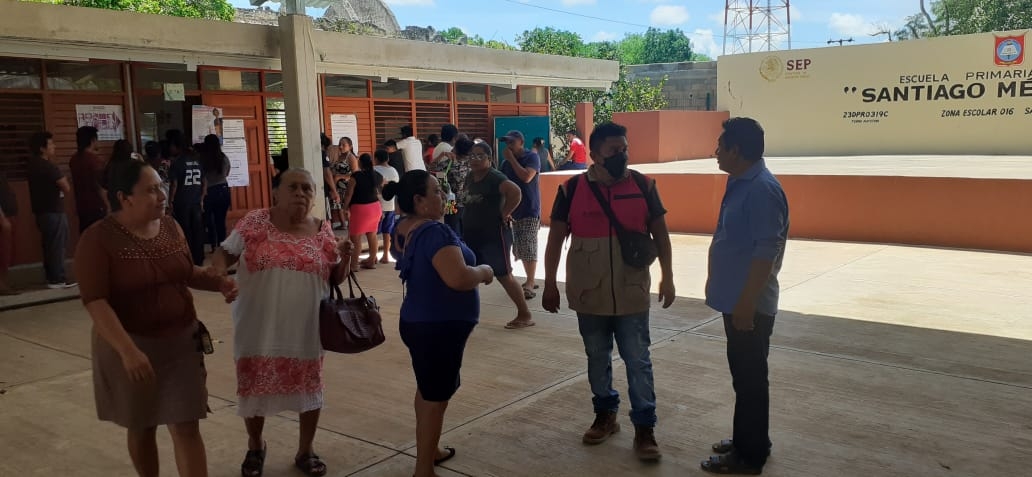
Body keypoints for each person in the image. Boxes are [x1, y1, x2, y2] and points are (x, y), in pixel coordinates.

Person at [75, 159, 236, 477]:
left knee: (187, 425)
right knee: (143, 426)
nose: (162, 194)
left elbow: (186, 272)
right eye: (151, 190)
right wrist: (127, 350)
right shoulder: (98, 239)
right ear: (124, 198)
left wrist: (218, 281)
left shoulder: (171, 227)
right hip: (131, 346)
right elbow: (95, 300)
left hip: (180, 343)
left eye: (161, 186)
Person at [542, 122, 675, 462]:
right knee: (597, 357)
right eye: (614, 150)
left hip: (631, 293)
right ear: (596, 152)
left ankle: (645, 428)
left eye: (624, 148)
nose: (622, 155)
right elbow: (555, 239)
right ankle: (606, 415)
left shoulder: (644, 186)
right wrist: (550, 284)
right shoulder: (571, 190)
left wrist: (668, 276)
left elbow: (661, 234)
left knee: (638, 360)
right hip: (590, 293)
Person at [213, 169, 353, 477]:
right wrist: (220, 276)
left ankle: (305, 450)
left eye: (308, 189)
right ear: (276, 192)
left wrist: (344, 257)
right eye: (293, 187)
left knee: (309, 386)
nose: (301, 194)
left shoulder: (322, 229)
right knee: (253, 386)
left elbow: (335, 277)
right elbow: (224, 253)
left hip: (306, 327)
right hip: (257, 324)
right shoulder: (254, 222)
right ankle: (255, 445)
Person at [386, 170, 494, 477]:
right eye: (436, 191)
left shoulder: (403, 227)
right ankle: (424, 469)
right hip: (438, 326)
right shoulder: (434, 233)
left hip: (418, 321)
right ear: (419, 201)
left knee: (427, 390)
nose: (443, 196)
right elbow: (458, 278)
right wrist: (484, 271)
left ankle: (429, 450)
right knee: (436, 397)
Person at [701, 118, 789, 476]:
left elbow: (766, 252)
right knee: (745, 378)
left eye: (721, 146)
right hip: (736, 301)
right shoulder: (740, 182)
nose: (716, 151)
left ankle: (749, 456)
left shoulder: (762, 190)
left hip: (747, 306)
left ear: (736, 150)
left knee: (751, 379)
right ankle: (748, 440)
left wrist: (746, 305)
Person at [461, 141, 535, 329]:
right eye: (472, 156)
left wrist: (504, 213)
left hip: (494, 234)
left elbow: (516, 192)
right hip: (472, 233)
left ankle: (524, 314)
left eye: (480, 156)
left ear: (489, 159)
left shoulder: (495, 177)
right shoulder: (470, 177)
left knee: (503, 274)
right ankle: (466, 314)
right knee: (468, 273)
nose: (475, 160)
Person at [26, 131, 76, 289]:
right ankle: (58, 279)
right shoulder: (47, 166)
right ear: (42, 148)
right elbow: (65, 186)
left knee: (49, 245)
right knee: (57, 245)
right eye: (51, 144)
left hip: (42, 212)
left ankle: (52, 277)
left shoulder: (32, 164)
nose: (54, 146)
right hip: (53, 211)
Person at [499, 130, 542, 298]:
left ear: (521, 143)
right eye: (507, 143)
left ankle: (530, 282)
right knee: (519, 246)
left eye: (512, 143)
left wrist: (511, 159)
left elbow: (526, 177)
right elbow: (503, 186)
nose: (509, 146)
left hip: (529, 207)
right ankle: (529, 279)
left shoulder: (532, 157)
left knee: (528, 244)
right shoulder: (505, 164)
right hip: (513, 210)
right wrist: (505, 209)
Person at [167, 130, 206, 266]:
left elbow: (174, 184)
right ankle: (199, 258)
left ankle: (188, 259)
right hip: (195, 202)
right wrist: (201, 198)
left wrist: (170, 201)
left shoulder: (177, 163)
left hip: (182, 202)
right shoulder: (196, 160)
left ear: (176, 146)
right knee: (198, 231)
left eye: (171, 145)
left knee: (185, 231)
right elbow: (204, 181)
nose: (170, 148)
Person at [343, 153, 384, 271]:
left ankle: (354, 265)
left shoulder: (356, 176)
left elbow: (349, 194)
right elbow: (378, 191)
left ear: (360, 163)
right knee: (372, 236)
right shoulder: (377, 175)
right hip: (375, 207)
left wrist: (345, 207)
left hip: (360, 209)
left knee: (355, 239)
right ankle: (371, 261)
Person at [431, 135, 472, 236]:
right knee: (467, 230)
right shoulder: (473, 163)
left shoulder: (449, 163)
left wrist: (442, 155)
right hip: (470, 202)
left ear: (456, 149)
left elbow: (431, 169)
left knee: (452, 230)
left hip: (451, 203)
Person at [69, 126, 107, 232]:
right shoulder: (95, 161)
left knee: (85, 238)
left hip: (81, 208)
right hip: (96, 208)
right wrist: (108, 205)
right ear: (92, 140)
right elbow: (100, 187)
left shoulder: (73, 160)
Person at [200, 134, 232, 250]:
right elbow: (227, 172)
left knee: (210, 221)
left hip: (209, 191)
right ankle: (223, 246)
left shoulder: (203, 158)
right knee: (220, 221)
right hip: (223, 190)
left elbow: (201, 177)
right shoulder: (223, 157)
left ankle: (213, 246)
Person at [373, 149, 400, 264]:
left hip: (377, 205)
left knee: (373, 232)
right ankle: (385, 255)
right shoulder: (394, 171)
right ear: (388, 159)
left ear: (376, 159)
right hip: (390, 205)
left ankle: (373, 256)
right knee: (387, 232)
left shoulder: (374, 170)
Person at [0, 172, 18, 295]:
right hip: (3, 219)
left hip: (8, 216)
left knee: (6, 253)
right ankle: (1, 285)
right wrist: (2, 219)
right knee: (3, 253)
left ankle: (4, 283)